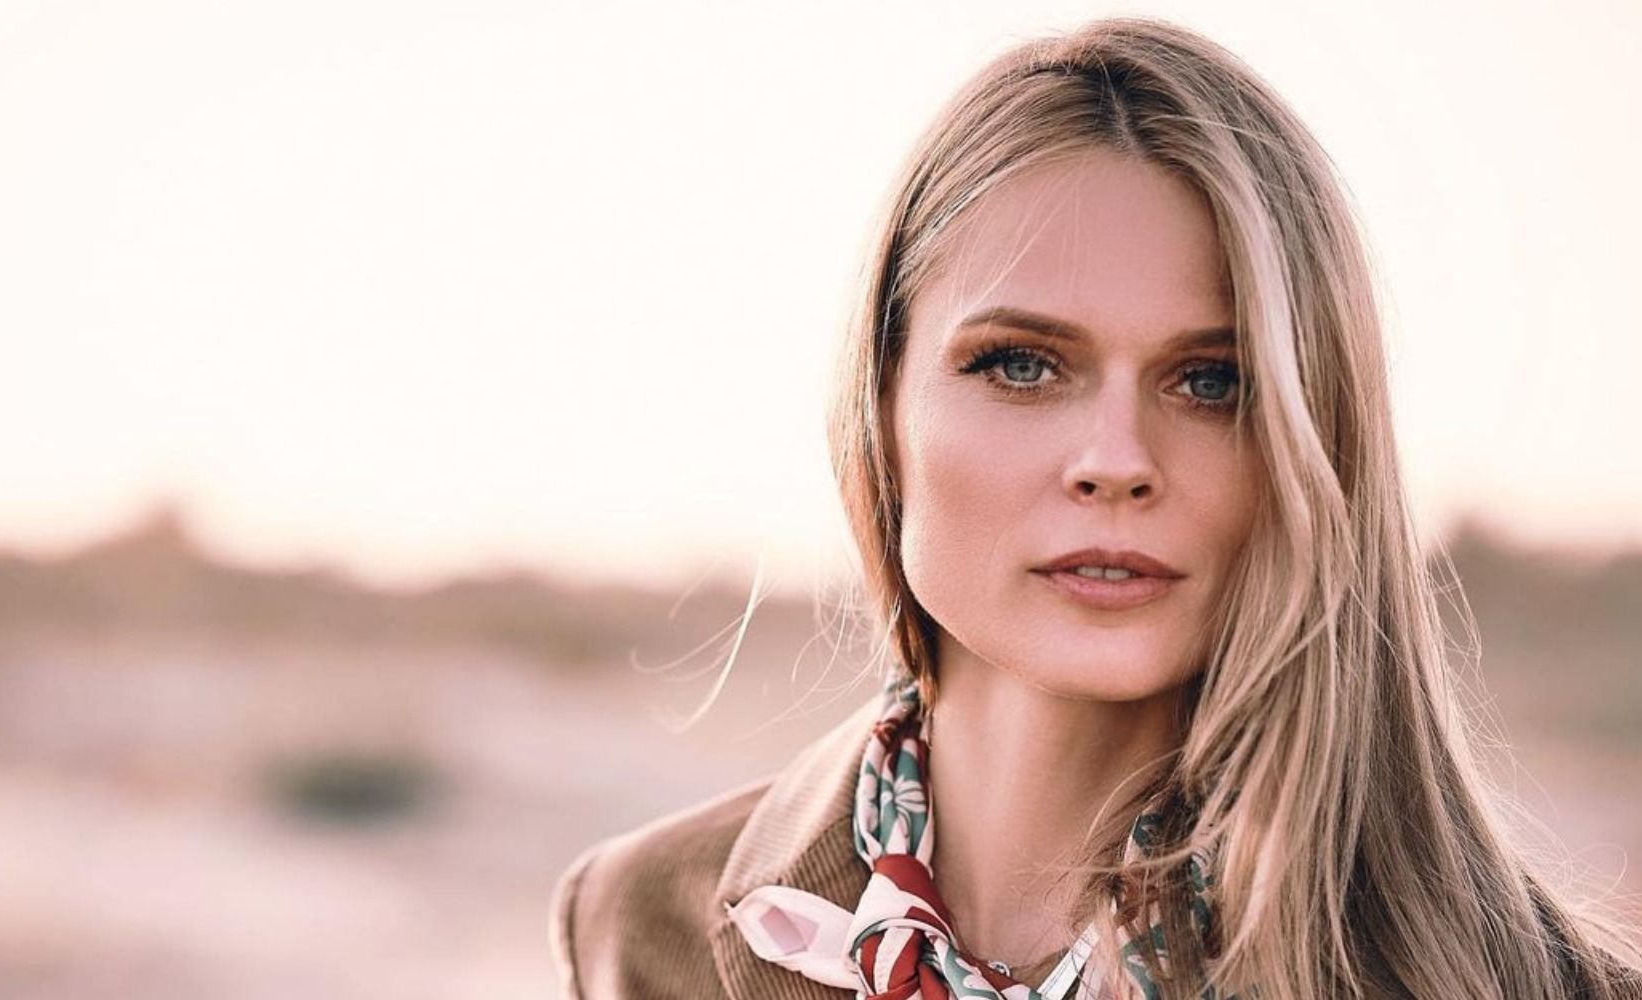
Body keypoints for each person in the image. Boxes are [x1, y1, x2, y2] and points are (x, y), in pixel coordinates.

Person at [547, 15, 1642, 999]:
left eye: (1210, 381)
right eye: (1021, 365)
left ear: (1322, 446)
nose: (1116, 462)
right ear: (880, 405)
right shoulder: (637, 925)